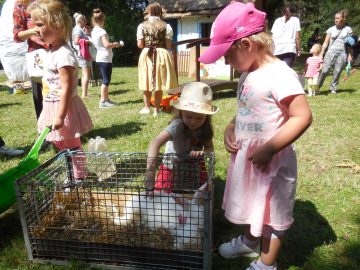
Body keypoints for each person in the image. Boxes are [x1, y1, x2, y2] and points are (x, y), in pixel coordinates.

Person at [198, 2, 312, 270]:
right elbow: (247, 108)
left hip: (271, 162)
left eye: (227, 54)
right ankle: (250, 241)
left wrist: (271, 148)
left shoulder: (280, 75)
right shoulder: (248, 73)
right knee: (253, 202)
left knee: (272, 213)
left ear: (247, 45)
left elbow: (302, 116)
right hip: (250, 159)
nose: (226, 61)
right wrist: (230, 126)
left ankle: (266, 263)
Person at [28, 0, 93, 180]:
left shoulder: (64, 53)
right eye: (34, 25)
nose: (35, 30)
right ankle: (73, 172)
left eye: (40, 25)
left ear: (57, 24)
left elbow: (66, 89)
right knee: (59, 142)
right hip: (51, 103)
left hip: (63, 107)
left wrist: (60, 116)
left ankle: (80, 176)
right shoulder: (52, 50)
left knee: (71, 144)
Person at [146, 82, 218, 192]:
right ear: (181, 112)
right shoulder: (176, 126)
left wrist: (203, 153)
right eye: (189, 117)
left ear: (206, 117)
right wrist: (150, 171)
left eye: (199, 118)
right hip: (172, 168)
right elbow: (155, 143)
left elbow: (209, 148)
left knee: (202, 194)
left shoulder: (205, 128)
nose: (193, 122)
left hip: (194, 168)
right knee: (163, 197)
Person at [137, 2, 178, 117]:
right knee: (158, 82)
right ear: (160, 12)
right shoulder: (167, 26)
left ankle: (146, 108)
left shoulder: (142, 25)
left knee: (146, 80)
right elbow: (168, 45)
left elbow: (140, 44)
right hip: (161, 53)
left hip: (147, 53)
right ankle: (156, 110)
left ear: (149, 12)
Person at [13, 0, 48, 120]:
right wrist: (33, 31)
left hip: (56, 51)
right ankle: (45, 132)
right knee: (41, 99)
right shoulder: (20, 5)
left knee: (61, 92)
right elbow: (17, 36)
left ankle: (67, 130)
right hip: (38, 57)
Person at [91, 8, 121, 109]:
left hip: (100, 57)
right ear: (102, 20)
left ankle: (106, 99)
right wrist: (115, 44)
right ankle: (103, 102)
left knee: (105, 79)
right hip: (105, 58)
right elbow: (107, 45)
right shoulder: (102, 31)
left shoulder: (94, 31)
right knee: (106, 80)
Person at [318, 10, 353, 94]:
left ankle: (333, 88)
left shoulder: (348, 29)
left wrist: (350, 55)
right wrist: (321, 53)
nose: (336, 20)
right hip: (330, 52)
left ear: (343, 19)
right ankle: (317, 87)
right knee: (324, 70)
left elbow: (350, 44)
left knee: (337, 71)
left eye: (338, 18)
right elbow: (326, 42)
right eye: (335, 18)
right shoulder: (331, 29)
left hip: (342, 53)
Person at [271, 4, 301, 68]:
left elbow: (272, 36)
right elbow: (297, 37)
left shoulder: (277, 21)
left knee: (277, 71)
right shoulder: (295, 20)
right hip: (289, 48)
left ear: (282, 12)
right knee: (287, 71)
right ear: (292, 12)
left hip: (277, 49)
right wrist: (298, 49)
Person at [72, 12, 92, 98]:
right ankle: (84, 94)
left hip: (82, 53)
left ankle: (84, 93)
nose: (86, 21)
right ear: (80, 20)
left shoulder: (79, 29)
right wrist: (88, 41)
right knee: (86, 74)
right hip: (82, 54)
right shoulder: (78, 29)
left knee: (85, 74)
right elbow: (76, 41)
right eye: (84, 20)